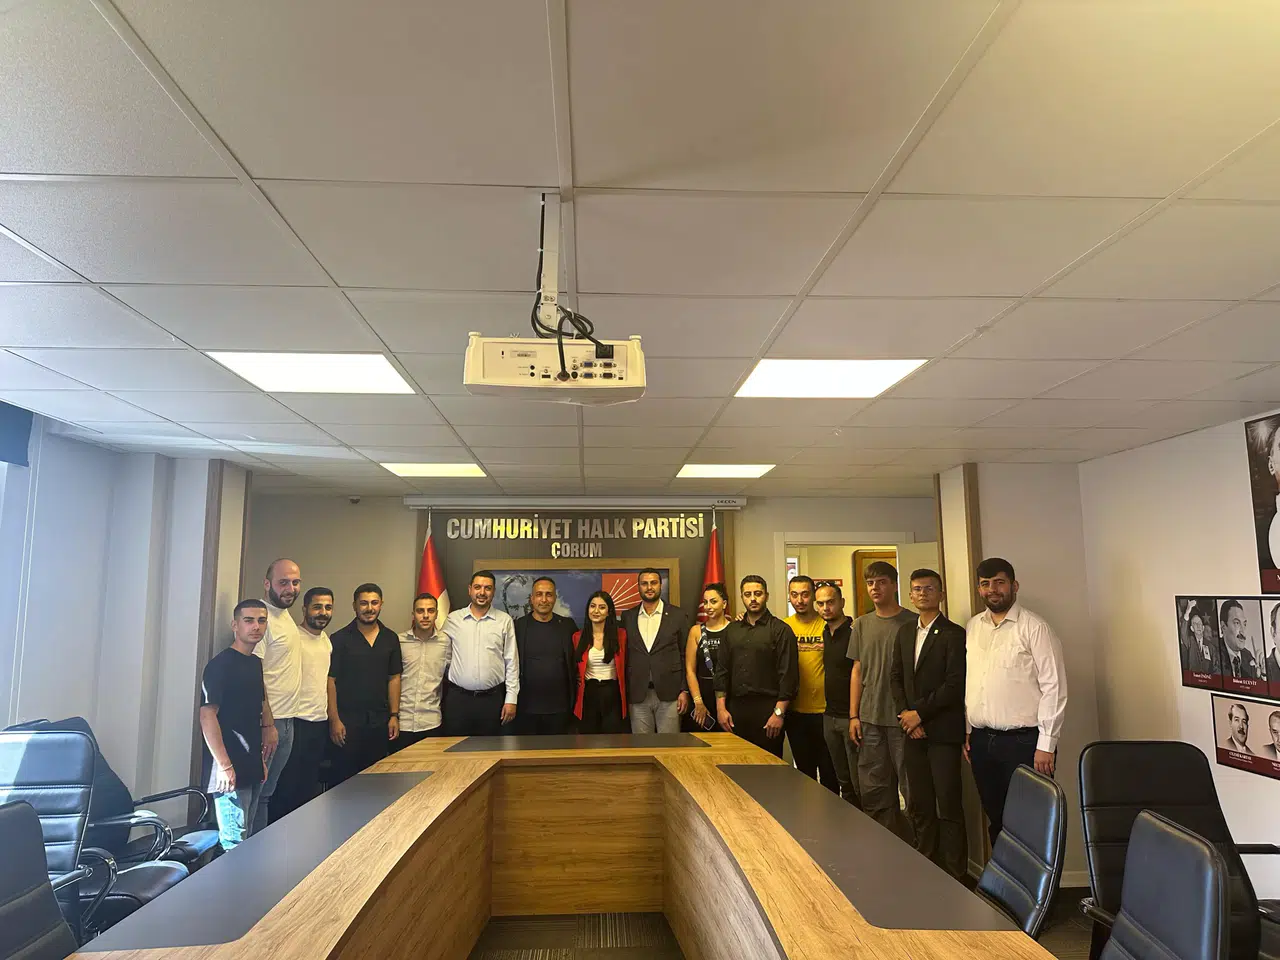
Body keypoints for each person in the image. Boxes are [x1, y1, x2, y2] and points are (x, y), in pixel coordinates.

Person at [965, 558, 1068, 843]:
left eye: (999, 582)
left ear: (1014, 586)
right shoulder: (973, 627)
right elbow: (973, 681)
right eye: (985, 584)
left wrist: (1046, 745)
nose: (992, 589)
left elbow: (1054, 687)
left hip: (1025, 744)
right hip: (982, 742)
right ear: (979, 589)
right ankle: (1001, 874)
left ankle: (1034, 876)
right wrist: (968, 729)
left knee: (1030, 824)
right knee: (996, 821)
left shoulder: (1035, 627)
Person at [890, 569, 967, 879]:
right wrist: (906, 715)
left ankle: (955, 874)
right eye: (917, 589)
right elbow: (896, 678)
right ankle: (926, 868)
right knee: (919, 804)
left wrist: (919, 714)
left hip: (943, 732)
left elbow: (954, 684)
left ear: (941, 595)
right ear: (910, 595)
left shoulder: (954, 634)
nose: (923, 593)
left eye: (929, 588)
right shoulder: (904, 632)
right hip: (912, 732)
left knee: (948, 804)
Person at [847, 561, 918, 840]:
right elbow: (857, 670)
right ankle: (882, 844)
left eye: (881, 582)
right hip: (870, 718)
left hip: (903, 720)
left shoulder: (912, 622)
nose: (875, 588)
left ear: (894, 585)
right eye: (870, 583)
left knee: (912, 789)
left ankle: (917, 848)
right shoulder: (861, 624)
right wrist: (854, 715)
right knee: (875, 790)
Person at [199, 600, 274, 850]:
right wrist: (224, 766)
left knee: (246, 841)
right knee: (233, 844)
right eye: (248, 620)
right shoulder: (220, 665)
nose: (256, 626)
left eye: (261, 621)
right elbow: (207, 716)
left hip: (250, 764)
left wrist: (259, 761)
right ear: (235, 625)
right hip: (228, 770)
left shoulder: (255, 663)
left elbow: (254, 711)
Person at [714, 576, 798, 758]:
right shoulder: (731, 630)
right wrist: (721, 709)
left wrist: (778, 714)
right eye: (747, 594)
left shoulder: (781, 630)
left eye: (758, 594)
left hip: (768, 710)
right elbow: (722, 671)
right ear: (742, 597)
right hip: (735, 710)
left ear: (766, 596)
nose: (753, 598)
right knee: (736, 765)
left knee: (768, 766)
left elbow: (788, 675)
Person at [327, 583, 402, 785]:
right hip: (347, 722)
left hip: (379, 722)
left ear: (381, 604)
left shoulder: (391, 638)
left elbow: (394, 678)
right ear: (354, 606)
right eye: (364, 603)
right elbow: (330, 680)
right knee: (344, 781)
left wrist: (394, 715)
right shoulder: (339, 639)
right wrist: (334, 719)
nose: (369, 608)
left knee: (376, 781)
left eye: (374, 603)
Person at [270, 586, 334, 820]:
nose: (323, 612)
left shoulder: (326, 640)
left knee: (308, 788)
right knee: (285, 789)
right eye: (317, 607)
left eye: (328, 607)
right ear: (304, 608)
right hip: (295, 721)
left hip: (319, 723)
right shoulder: (293, 637)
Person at [252, 559, 299, 830]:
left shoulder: (285, 616)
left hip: (288, 720)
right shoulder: (262, 618)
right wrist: (267, 722)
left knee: (265, 795)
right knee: (255, 795)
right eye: (283, 582)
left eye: (295, 582)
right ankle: (244, 852)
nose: (290, 588)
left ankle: (258, 850)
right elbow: (254, 670)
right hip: (269, 722)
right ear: (267, 584)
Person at [444, 570, 519, 736]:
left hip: (492, 701)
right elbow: (444, 658)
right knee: (455, 748)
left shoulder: (504, 621)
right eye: (477, 587)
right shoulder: (453, 620)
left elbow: (511, 662)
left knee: (490, 748)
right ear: (469, 589)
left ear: (494, 591)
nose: (482, 592)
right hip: (458, 700)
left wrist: (511, 699)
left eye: (487, 588)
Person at [784, 575, 838, 793]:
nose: (800, 600)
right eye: (794, 595)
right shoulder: (784, 627)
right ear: (789, 597)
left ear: (813, 596)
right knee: (804, 775)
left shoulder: (828, 624)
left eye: (805, 594)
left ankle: (832, 813)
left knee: (829, 774)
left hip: (826, 712)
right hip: (795, 712)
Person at [620, 568, 691, 734]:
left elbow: (685, 655)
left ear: (660, 585)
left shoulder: (678, 615)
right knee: (642, 746)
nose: (649, 587)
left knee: (669, 745)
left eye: (653, 583)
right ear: (638, 586)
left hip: (670, 693)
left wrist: (684, 690)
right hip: (638, 694)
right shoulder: (627, 617)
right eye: (644, 583)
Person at [513, 577, 578, 735]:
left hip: (561, 709)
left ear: (555, 598)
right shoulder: (518, 626)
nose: (544, 600)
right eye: (539, 594)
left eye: (549, 595)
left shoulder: (568, 626)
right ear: (532, 598)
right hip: (526, 709)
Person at [816, 582, 860, 807]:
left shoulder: (854, 632)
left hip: (851, 717)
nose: (826, 608)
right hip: (829, 715)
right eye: (821, 603)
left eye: (830, 602)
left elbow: (860, 674)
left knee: (859, 781)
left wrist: (855, 716)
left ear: (842, 602)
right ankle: (850, 822)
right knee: (843, 781)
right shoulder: (824, 633)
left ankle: (868, 824)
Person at [394, 592, 450, 751]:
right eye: (420, 611)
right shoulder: (398, 641)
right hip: (401, 722)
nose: (425, 615)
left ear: (437, 614)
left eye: (430, 611)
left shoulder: (446, 642)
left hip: (431, 722)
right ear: (413, 614)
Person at [573, 591, 628, 734]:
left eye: (602, 607)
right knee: (588, 738)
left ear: (609, 612)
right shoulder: (578, 637)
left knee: (612, 739)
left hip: (612, 692)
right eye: (592, 606)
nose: (596, 611)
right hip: (588, 692)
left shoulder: (621, 635)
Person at [685, 583, 731, 731]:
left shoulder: (734, 629)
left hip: (729, 696)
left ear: (724, 604)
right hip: (702, 695)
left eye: (713, 601)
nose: (708, 606)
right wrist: (698, 701)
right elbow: (690, 670)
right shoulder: (696, 631)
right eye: (705, 602)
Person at [1220, 600, 1260, 680]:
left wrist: (1261, 676)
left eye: (1244, 624)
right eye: (1237, 623)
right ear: (1223, 626)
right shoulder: (1213, 653)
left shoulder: (1248, 656)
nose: (1243, 631)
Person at [1178, 598, 1220, 676]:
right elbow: (1183, 632)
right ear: (1192, 628)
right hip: (1193, 679)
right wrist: (1187, 611)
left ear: (1203, 628)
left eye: (1200, 623)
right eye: (1195, 624)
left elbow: (1216, 668)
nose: (1198, 626)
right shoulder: (1190, 641)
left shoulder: (1211, 647)